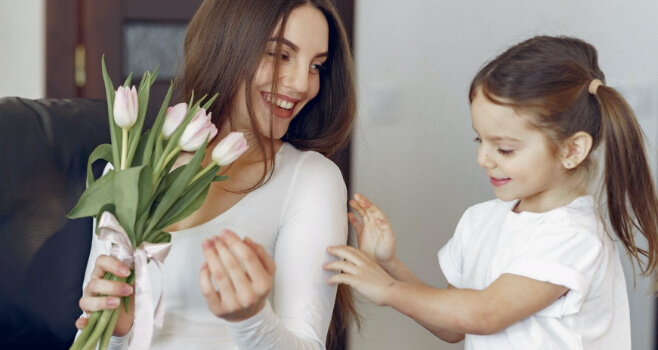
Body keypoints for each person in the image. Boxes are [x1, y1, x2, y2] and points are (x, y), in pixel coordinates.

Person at [325, 35, 658, 349]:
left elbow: (484, 314)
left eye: (506, 149)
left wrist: (387, 290)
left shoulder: (574, 236)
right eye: (479, 140)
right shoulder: (481, 221)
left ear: (572, 150)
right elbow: (453, 325)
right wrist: (390, 265)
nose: (483, 158)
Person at [77, 0, 358, 348]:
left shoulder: (311, 180)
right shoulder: (127, 168)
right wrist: (118, 330)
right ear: (227, 44)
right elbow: (89, 339)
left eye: (316, 65)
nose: (302, 84)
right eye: (281, 55)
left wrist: (251, 318)